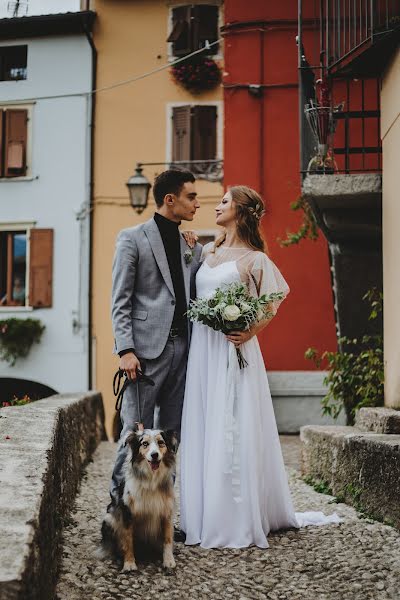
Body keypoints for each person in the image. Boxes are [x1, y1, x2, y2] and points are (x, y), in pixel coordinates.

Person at [180, 185, 340, 549]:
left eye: (224, 202)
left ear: (240, 210)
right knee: (206, 422)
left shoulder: (255, 260)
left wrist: (248, 330)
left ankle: (233, 516)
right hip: (202, 351)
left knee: (232, 426)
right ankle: (202, 516)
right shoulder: (207, 249)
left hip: (233, 351)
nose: (216, 207)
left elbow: (273, 301)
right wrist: (189, 246)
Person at [110, 169, 202, 505]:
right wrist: (126, 349)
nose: (197, 204)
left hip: (183, 349)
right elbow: (120, 298)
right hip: (144, 354)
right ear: (170, 199)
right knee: (134, 435)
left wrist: (198, 249)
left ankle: (161, 511)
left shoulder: (188, 244)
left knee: (169, 439)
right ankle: (120, 510)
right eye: (191, 197)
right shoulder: (132, 238)